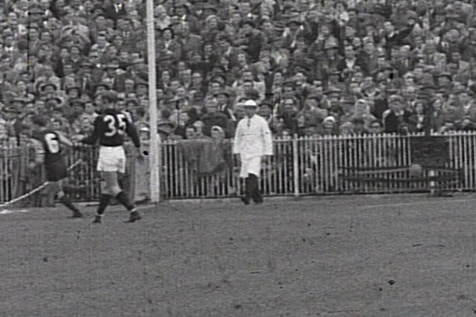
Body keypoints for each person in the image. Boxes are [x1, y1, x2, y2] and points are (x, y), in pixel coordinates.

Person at [75, 91, 144, 223]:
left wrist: (81, 138)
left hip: (108, 151)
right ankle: (98, 216)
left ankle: (133, 211)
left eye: (99, 100)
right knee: (107, 186)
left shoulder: (101, 118)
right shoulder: (123, 116)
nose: (97, 103)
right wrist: (138, 149)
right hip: (119, 151)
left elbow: (93, 139)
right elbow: (133, 132)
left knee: (113, 186)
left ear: (106, 101)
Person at [28, 115, 84, 218]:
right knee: (59, 186)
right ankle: (78, 190)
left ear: (36, 125)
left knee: (58, 191)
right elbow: (69, 144)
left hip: (51, 165)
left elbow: (40, 157)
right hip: (60, 162)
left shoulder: (36, 138)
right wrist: (61, 154)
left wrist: (33, 165)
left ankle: (77, 210)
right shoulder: (55, 133)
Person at [233, 99, 273, 205]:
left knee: (252, 173)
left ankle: (247, 195)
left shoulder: (261, 121)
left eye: (251, 109)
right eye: (247, 109)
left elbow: (267, 137)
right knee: (246, 174)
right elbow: (238, 138)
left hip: (257, 151)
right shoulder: (242, 122)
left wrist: (267, 152)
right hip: (245, 151)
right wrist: (237, 152)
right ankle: (257, 198)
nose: (249, 111)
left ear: (255, 110)